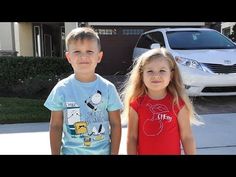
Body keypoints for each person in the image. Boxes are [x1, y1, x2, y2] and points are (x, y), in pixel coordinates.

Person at [44, 27, 123, 155]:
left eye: (89, 51)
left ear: (99, 56)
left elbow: (115, 124)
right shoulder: (61, 89)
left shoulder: (108, 88)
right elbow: (55, 126)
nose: (83, 56)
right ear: (69, 57)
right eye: (77, 52)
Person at [121, 48, 201, 155]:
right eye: (150, 71)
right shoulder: (136, 104)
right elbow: (132, 138)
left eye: (162, 71)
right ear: (141, 74)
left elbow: (187, 137)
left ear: (171, 74)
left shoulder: (177, 103)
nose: (156, 76)